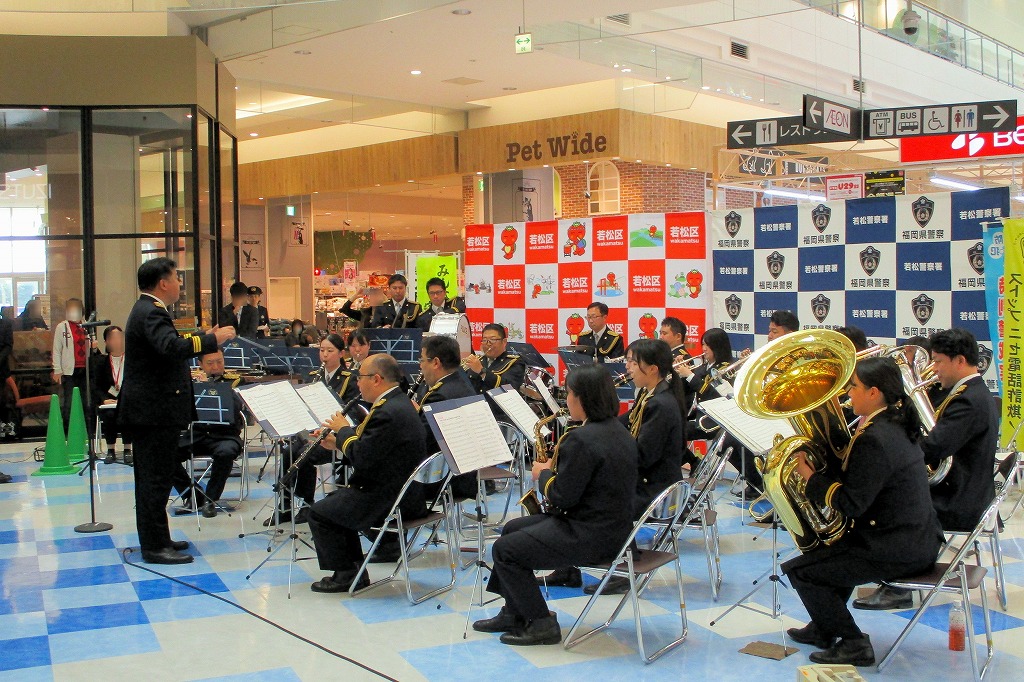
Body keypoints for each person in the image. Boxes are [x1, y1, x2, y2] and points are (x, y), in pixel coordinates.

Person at [783, 356, 943, 666]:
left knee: (803, 572)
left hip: (895, 546)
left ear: (874, 392)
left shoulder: (877, 438)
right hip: (913, 537)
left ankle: (855, 644)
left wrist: (811, 478)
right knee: (829, 556)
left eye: (853, 388)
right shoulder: (892, 424)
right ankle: (824, 627)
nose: (847, 395)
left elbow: (853, 503)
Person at [472, 364, 638, 646]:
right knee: (512, 528)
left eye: (569, 393)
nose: (566, 400)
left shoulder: (582, 439)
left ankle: (541, 623)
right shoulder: (618, 430)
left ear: (583, 399)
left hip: (590, 535)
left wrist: (544, 472)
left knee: (505, 550)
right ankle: (514, 611)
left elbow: (561, 497)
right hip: (615, 530)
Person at [853, 328, 997, 611]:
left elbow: (934, 447)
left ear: (959, 361)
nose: (934, 369)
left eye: (939, 361)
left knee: (887, 504)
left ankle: (899, 585)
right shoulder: (971, 393)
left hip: (958, 498)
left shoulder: (969, 400)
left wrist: (898, 441)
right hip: (964, 489)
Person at [544, 339, 686, 595]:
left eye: (633, 362)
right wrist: (595, 429)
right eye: (628, 361)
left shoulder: (661, 405)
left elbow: (643, 456)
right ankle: (567, 567)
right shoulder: (649, 394)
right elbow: (622, 423)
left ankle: (620, 566)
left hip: (655, 490)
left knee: (583, 494)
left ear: (652, 368)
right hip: (646, 481)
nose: (628, 367)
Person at [119, 257, 234, 564]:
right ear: (163, 283)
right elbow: (171, 348)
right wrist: (212, 340)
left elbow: (169, 344)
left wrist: (201, 337)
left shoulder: (147, 310)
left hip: (153, 412)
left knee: (155, 478)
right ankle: (155, 547)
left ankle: (159, 538)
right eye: (177, 278)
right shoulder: (152, 312)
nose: (180, 284)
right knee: (154, 481)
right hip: (153, 413)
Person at [307, 354, 429, 593]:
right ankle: (353, 570)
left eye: (360, 377)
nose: (357, 383)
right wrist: (338, 443)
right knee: (334, 504)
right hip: (403, 490)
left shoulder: (387, 412)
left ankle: (347, 574)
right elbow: (375, 449)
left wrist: (342, 431)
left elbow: (363, 458)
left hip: (389, 497)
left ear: (376, 379)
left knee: (320, 513)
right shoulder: (398, 403)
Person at [267, 333, 355, 526]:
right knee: (288, 451)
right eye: (322, 350)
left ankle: (307, 503)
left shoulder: (349, 379)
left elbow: (352, 413)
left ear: (341, 353)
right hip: (310, 431)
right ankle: (285, 504)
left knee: (304, 455)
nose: (324, 355)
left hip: (332, 436)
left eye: (330, 351)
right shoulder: (314, 377)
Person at [676, 328, 760, 495]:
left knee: (675, 434)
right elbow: (689, 386)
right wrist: (681, 369)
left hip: (716, 421)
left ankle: (755, 482)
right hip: (702, 417)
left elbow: (716, 394)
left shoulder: (727, 368)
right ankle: (693, 463)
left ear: (718, 347)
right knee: (670, 431)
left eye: (707, 345)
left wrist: (690, 375)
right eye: (702, 344)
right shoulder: (707, 365)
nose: (703, 349)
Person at [172, 350, 245, 518]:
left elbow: (238, 408)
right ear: (200, 365)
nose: (216, 367)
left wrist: (211, 387)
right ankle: (192, 495)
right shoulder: (190, 382)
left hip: (226, 435)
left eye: (219, 361)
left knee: (226, 453)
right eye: (210, 363)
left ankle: (210, 500)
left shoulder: (236, 381)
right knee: (165, 453)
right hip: (197, 434)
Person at [416, 335, 477, 503]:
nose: (420, 366)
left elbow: (421, 441)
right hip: (465, 474)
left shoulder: (439, 395)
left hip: (441, 479)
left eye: (422, 361)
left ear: (436, 363)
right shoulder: (462, 384)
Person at [52, 298, 97, 431]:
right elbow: (57, 349)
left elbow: (94, 347)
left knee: (85, 401)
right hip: (70, 370)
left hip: (85, 369)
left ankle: (86, 430)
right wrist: (57, 369)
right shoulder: (62, 327)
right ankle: (68, 431)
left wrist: (94, 346)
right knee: (69, 402)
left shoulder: (86, 326)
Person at [91, 325, 131, 465]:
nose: (118, 341)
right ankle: (110, 450)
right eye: (114, 338)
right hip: (109, 402)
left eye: (120, 337)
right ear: (107, 342)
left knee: (127, 412)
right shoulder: (101, 362)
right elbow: (96, 386)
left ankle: (127, 449)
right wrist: (103, 399)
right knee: (109, 414)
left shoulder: (131, 361)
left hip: (127, 399)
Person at [463, 323, 524, 392]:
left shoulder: (515, 362)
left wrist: (482, 371)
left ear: (504, 342)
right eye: (485, 340)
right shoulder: (478, 360)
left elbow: (510, 388)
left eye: (492, 340)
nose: (488, 344)